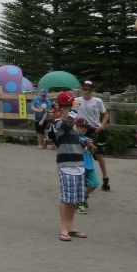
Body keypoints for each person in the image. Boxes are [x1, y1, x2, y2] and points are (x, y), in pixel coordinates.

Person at [50, 91, 88, 242]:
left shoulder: (71, 126)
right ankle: (63, 228)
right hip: (66, 165)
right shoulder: (58, 124)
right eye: (69, 107)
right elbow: (66, 125)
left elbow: (74, 142)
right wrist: (74, 110)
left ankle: (70, 226)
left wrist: (84, 144)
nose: (71, 109)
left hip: (78, 164)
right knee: (66, 197)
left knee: (75, 198)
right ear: (63, 108)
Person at [74, 81, 111, 191]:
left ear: (92, 91)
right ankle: (84, 178)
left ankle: (105, 178)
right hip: (80, 129)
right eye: (85, 89)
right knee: (82, 154)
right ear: (82, 89)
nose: (87, 91)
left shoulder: (97, 101)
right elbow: (72, 113)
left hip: (94, 129)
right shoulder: (77, 101)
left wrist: (102, 126)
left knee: (98, 154)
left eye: (89, 89)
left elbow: (106, 114)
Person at [74, 118, 99, 214]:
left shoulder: (87, 138)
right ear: (76, 127)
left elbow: (92, 153)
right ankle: (78, 204)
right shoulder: (74, 138)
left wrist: (91, 147)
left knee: (95, 183)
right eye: (81, 127)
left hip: (89, 165)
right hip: (79, 165)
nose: (84, 129)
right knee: (79, 186)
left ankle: (84, 196)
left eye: (85, 127)